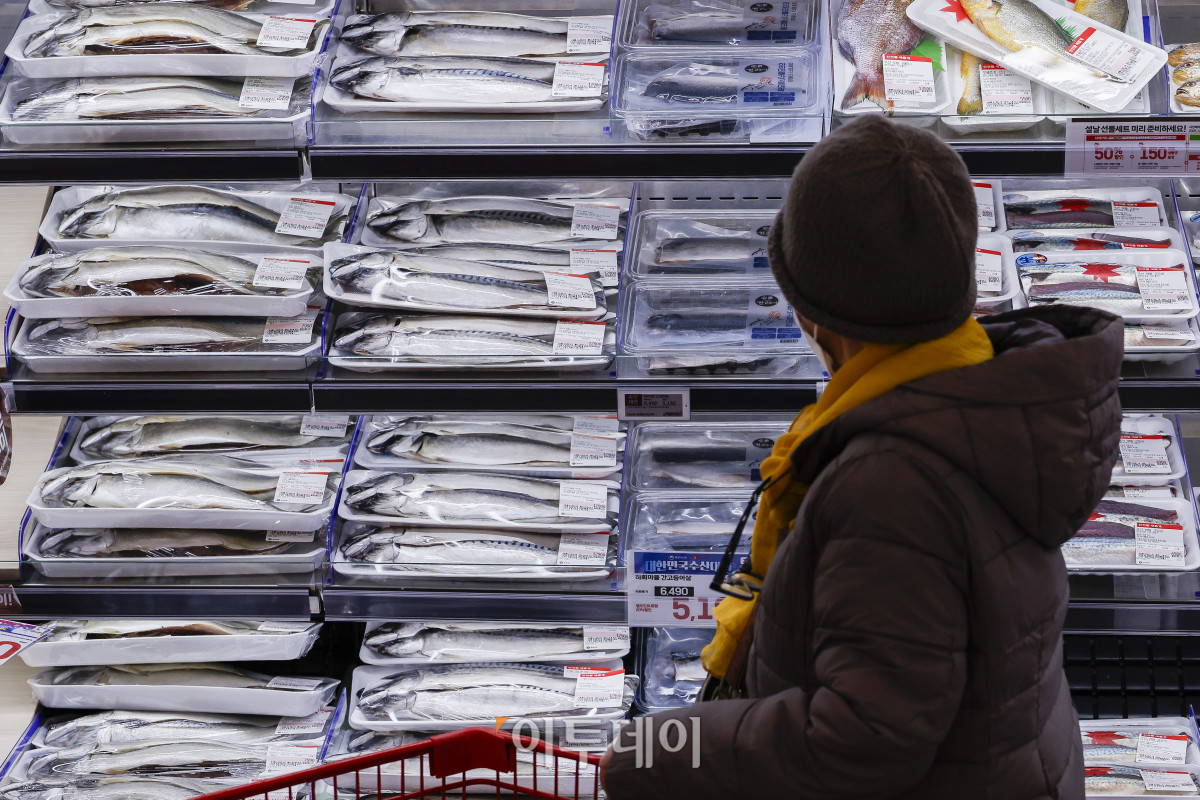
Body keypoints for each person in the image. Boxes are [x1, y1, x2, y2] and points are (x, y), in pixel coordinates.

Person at [601, 115, 1123, 799]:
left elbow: (864, 738)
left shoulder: (891, 486)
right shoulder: (978, 396)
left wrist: (664, 746)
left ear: (819, 318)